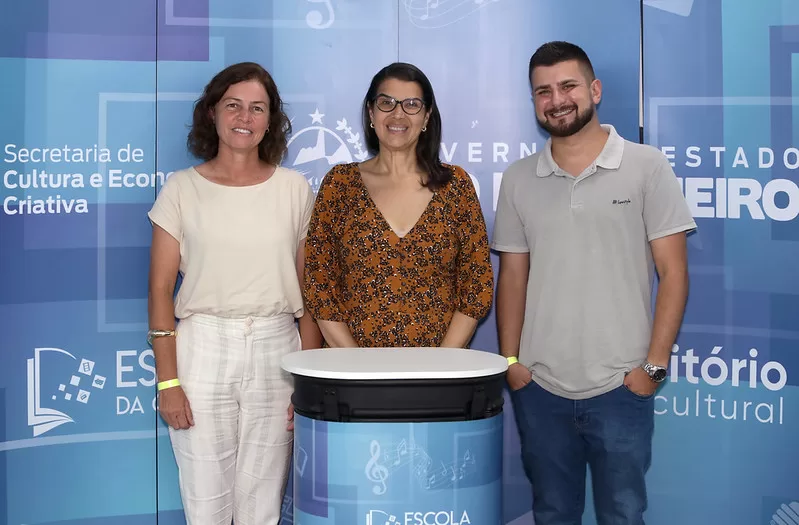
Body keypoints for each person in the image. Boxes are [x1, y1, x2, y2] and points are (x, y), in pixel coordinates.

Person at [493, 41, 696, 525]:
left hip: (621, 387)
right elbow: (513, 276)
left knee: (622, 515)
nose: (556, 100)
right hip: (539, 387)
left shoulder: (647, 166)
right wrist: (512, 362)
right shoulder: (518, 178)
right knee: (552, 513)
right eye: (543, 91)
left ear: (595, 90)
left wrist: (653, 368)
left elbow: (674, 273)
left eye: (568, 86)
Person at [147, 62, 322, 525]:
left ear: (270, 120)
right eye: (233, 105)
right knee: (205, 507)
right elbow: (160, 289)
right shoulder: (181, 188)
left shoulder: (294, 189)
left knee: (261, 508)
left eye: (257, 108)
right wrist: (168, 383)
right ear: (212, 112)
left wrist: (306, 382)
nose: (245, 117)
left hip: (277, 351)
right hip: (203, 350)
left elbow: (310, 296)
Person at [303, 62, 493, 349]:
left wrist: (441, 366)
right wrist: (356, 366)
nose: (398, 114)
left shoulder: (455, 186)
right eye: (386, 103)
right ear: (371, 112)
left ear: (427, 116)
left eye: (412, 104)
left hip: (441, 369)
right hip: (351, 368)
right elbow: (320, 284)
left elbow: (476, 285)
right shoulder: (340, 185)